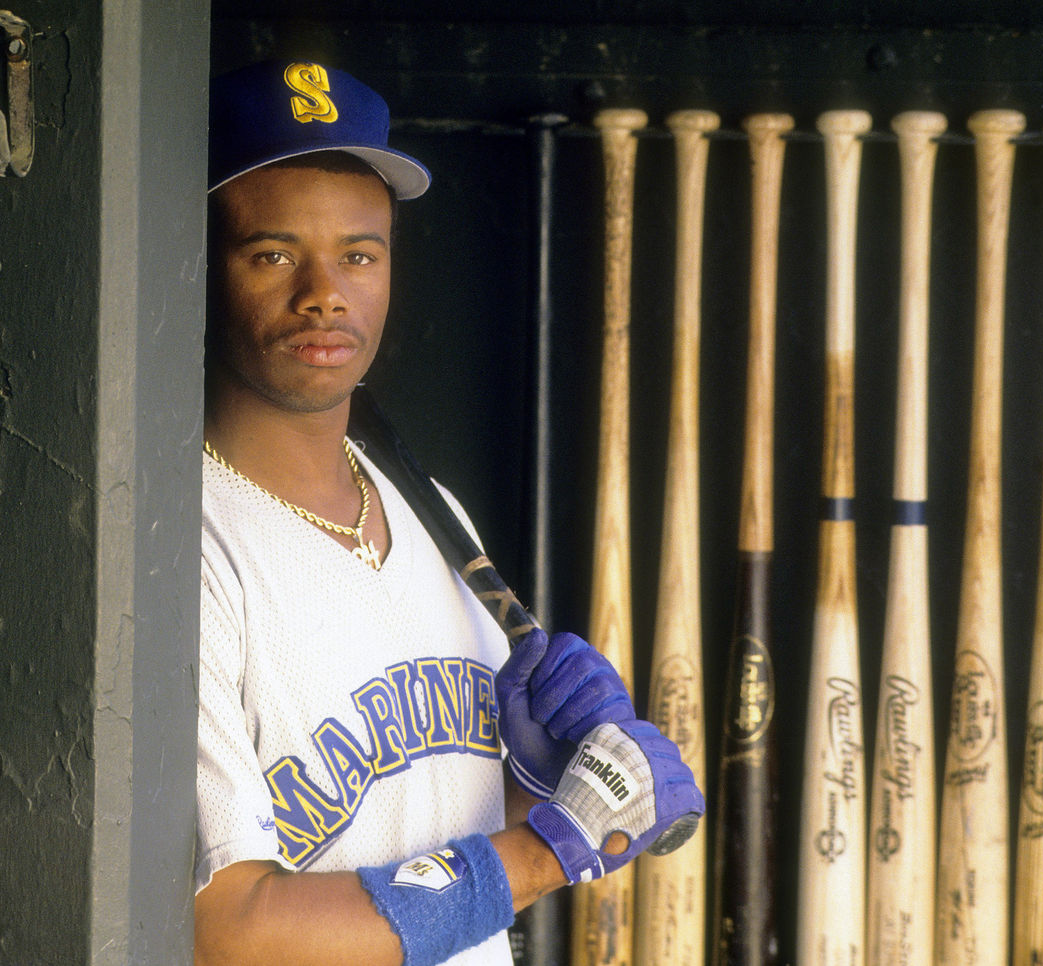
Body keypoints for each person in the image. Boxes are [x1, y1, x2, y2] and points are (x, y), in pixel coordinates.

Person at [196, 59, 704, 966]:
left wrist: (545, 788)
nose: (325, 292)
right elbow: (229, 931)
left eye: (359, 254)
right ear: (201, 267)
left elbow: (428, 831)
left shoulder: (435, 518)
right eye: (273, 253)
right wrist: (553, 848)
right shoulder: (184, 548)